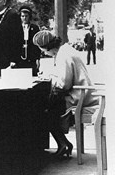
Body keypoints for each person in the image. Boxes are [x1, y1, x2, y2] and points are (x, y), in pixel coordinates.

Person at [33, 30, 99, 158]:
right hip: (82, 92)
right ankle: (64, 144)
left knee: (44, 110)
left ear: (48, 47)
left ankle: (63, 144)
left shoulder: (63, 55)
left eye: (43, 50)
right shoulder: (66, 50)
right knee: (48, 108)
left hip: (79, 96)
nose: (44, 53)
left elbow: (63, 84)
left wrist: (50, 79)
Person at [0, 0, 23, 76]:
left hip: (7, 62)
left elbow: (17, 39)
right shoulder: (1, 15)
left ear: (4, 1)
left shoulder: (12, 15)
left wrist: (14, 60)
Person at [17, 5, 41, 76]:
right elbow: (13, 45)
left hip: (31, 58)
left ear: (29, 17)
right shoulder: (16, 28)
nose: (24, 18)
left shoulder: (35, 28)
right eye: (23, 16)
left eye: (26, 16)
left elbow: (37, 44)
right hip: (20, 59)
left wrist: (37, 58)